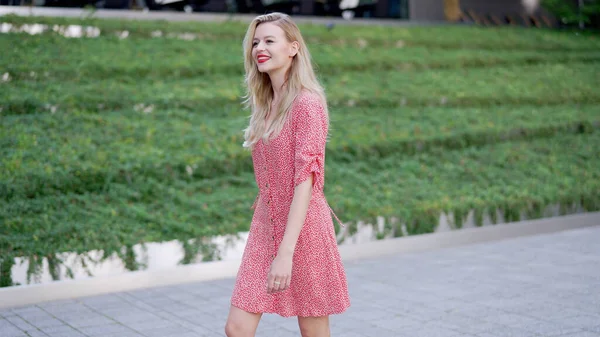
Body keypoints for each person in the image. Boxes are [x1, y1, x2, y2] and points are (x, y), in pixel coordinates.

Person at [225, 12, 351, 337]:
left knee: (313, 331)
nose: (259, 48)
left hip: (304, 232)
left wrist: (286, 253)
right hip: (265, 225)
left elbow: (305, 181)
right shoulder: (265, 104)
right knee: (236, 329)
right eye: (255, 42)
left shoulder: (307, 104)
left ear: (293, 48)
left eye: (269, 41)